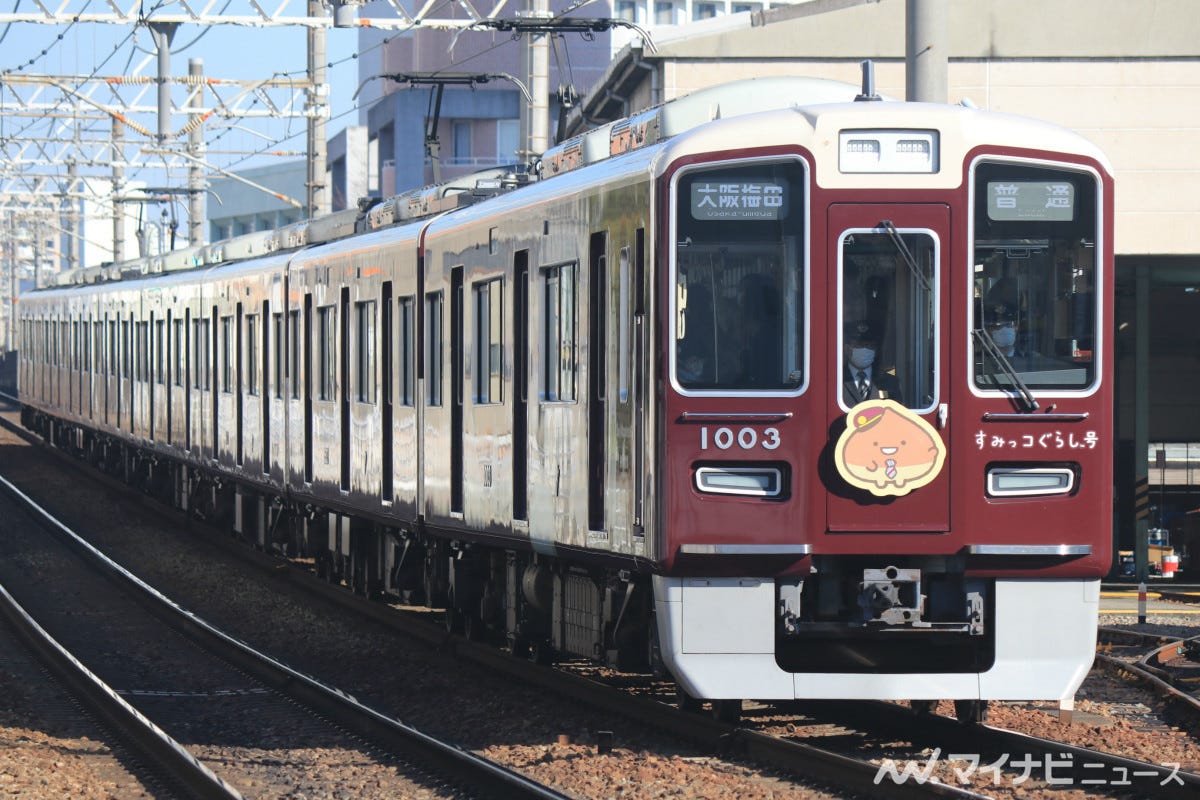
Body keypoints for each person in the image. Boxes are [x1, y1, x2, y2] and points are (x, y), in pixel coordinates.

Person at [843, 320, 903, 405]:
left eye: (869, 346)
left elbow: (896, 414)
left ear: (876, 350)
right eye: (859, 345)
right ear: (847, 349)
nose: (865, 349)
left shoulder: (891, 382)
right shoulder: (836, 380)